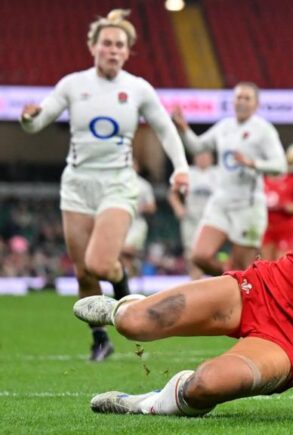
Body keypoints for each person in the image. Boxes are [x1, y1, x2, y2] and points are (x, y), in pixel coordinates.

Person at [71, 108, 293, 416]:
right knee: (135, 323)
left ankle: (143, 403)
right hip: (263, 288)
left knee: (205, 385)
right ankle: (122, 309)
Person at [19, 9, 189, 361]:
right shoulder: (73, 84)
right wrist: (28, 119)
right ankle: (100, 340)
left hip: (117, 183)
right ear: (93, 47)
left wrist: (181, 168)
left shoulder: (138, 88)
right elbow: (39, 121)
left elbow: (165, 129)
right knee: (83, 272)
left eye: (119, 45)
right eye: (107, 43)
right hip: (77, 185)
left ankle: (126, 294)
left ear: (127, 52)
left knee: (99, 264)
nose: (113, 50)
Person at [171, 82, 286, 275]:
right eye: (239, 97)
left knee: (242, 267)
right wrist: (184, 130)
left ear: (256, 104)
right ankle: (228, 279)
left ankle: (235, 284)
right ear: (233, 101)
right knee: (199, 256)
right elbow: (197, 147)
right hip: (221, 201)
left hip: (247, 206)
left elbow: (280, 166)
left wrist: (253, 163)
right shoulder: (224, 126)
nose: (242, 102)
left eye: (247, 98)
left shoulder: (264, 130)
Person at [168, 151, 216, 279]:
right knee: (190, 252)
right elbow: (172, 193)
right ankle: (195, 279)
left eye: (206, 155)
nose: (203, 158)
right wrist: (178, 207)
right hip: (191, 219)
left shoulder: (218, 173)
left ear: (211, 158)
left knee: (208, 253)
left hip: (211, 220)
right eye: (200, 155)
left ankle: (210, 280)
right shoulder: (188, 173)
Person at [262, 141, 293, 260]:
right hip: (267, 229)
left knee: (281, 262)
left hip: (287, 229)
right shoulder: (262, 182)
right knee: (266, 263)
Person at [121, 159, 157, 277]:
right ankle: (133, 266)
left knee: (126, 249)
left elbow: (152, 207)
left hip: (137, 223)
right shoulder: (117, 183)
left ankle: (139, 257)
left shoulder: (144, 185)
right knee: (124, 257)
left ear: (137, 167)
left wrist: (139, 208)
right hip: (121, 222)